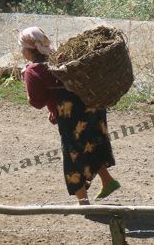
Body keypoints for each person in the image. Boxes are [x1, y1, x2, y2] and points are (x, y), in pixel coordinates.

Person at [18, 26, 120, 205]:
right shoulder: (62, 59)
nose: (21, 51)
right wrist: (53, 109)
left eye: (22, 48)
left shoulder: (33, 71)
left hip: (71, 115)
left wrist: (27, 88)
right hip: (92, 105)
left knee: (73, 154)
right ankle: (107, 181)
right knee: (92, 142)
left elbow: (36, 102)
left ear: (29, 50)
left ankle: (83, 202)